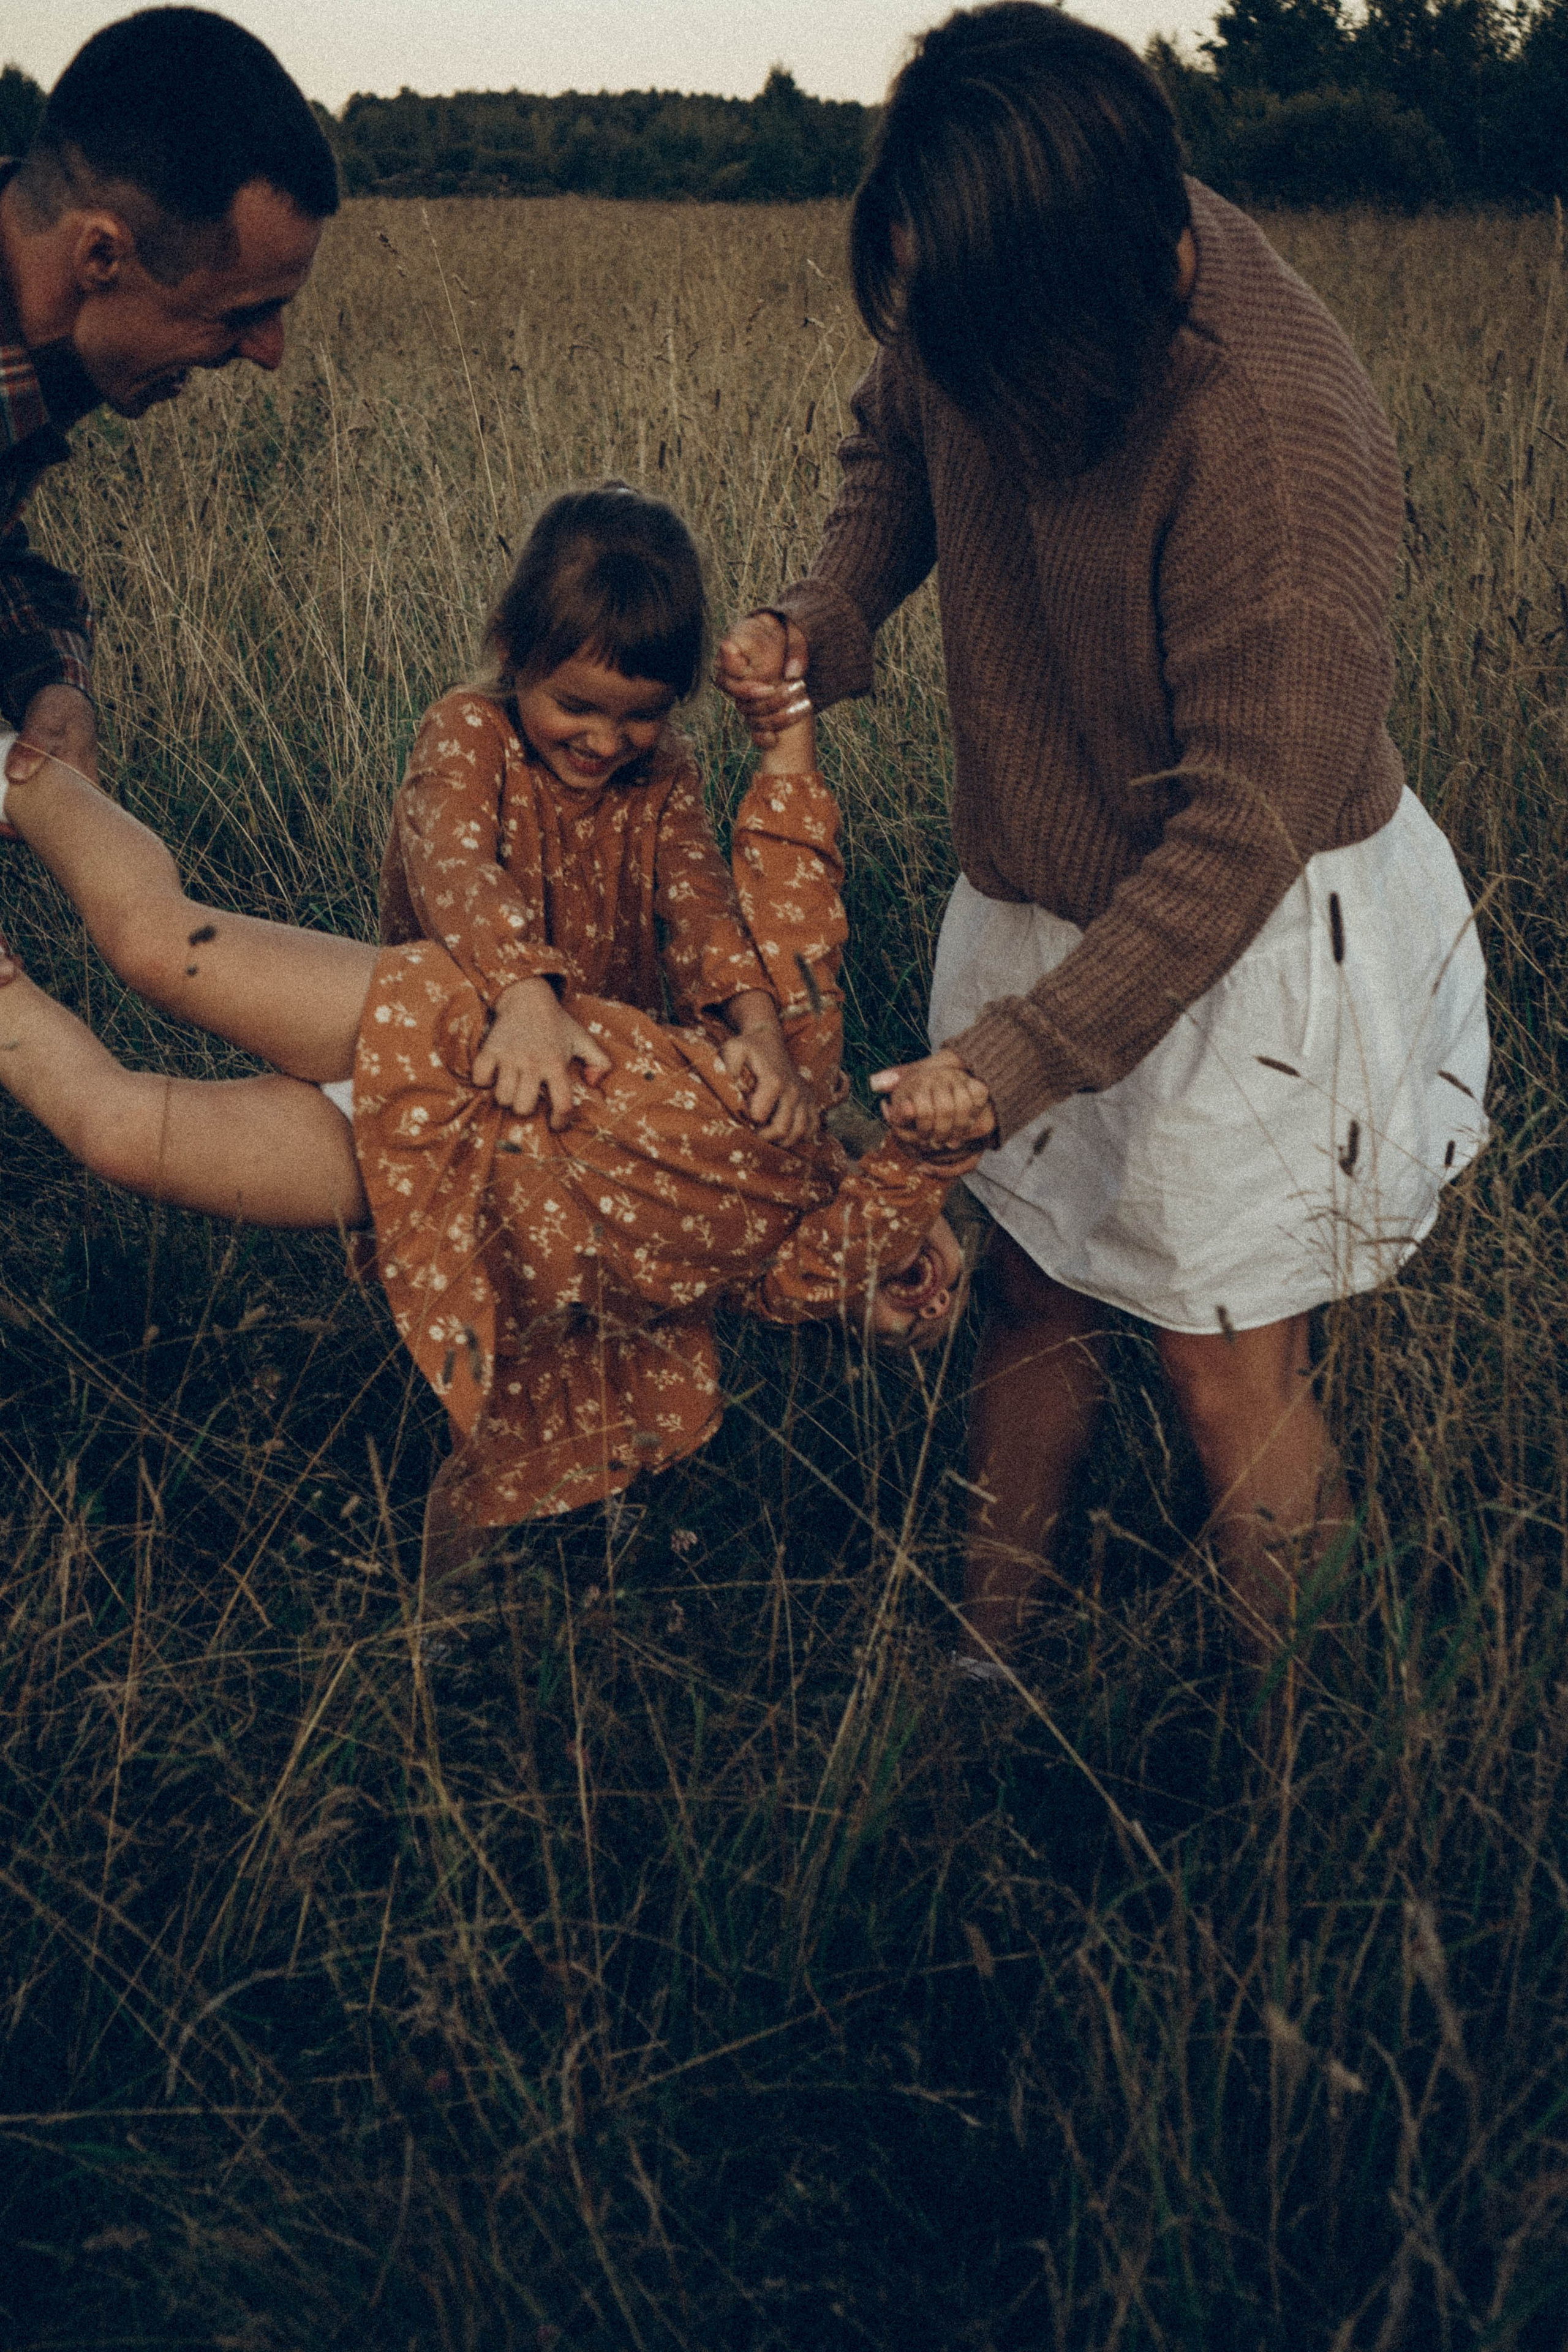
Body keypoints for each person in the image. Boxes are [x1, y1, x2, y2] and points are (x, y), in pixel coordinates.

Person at [719, 2, 1489, 1665]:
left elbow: (1242, 835)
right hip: (1043, 892)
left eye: (956, 318)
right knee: (1034, 1280)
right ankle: (984, 1658)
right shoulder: (994, 271)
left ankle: (1308, 1773)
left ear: (1079, 287)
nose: (929, 343)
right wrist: (824, 614)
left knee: (1221, 1360)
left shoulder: (1271, 441)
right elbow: (894, 439)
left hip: (1254, 933)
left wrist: (1016, 1057)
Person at [0, 633, 970, 1558]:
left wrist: (889, 1260)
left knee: (118, 1134)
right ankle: (13, 768)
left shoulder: (712, 1303)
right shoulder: (791, 1077)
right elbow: (792, 891)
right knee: (155, 947)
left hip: (431, 1179)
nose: (913, 1281)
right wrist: (790, 737)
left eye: (904, 1295)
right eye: (930, 1262)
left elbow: (823, 1269)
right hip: (450, 1030)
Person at [0, 9, 337, 803]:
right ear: (101, 255)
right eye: (237, 312)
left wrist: (56, 687)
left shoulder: (41, 353)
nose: (269, 353)